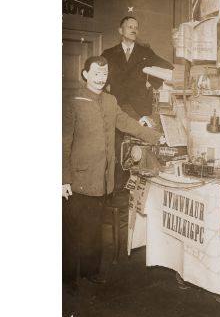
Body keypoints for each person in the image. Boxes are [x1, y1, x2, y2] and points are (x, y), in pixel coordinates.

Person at [62, 56, 164, 293]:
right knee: (73, 232)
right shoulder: (73, 101)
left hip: (103, 179)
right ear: (85, 74)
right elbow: (63, 142)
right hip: (79, 179)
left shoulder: (110, 100)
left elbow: (127, 123)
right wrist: (63, 179)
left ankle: (89, 272)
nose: (101, 77)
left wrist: (156, 137)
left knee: (95, 229)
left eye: (104, 73)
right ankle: (67, 279)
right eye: (96, 73)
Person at [102, 16, 173, 192]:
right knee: (116, 151)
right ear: (121, 31)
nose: (134, 30)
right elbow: (99, 77)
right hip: (116, 108)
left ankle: (135, 196)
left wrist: (152, 85)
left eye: (136, 27)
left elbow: (167, 67)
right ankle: (116, 193)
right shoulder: (108, 54)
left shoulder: (145, 53)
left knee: (140, 152)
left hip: (139, 109)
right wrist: (107, 89)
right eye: (130, 27)